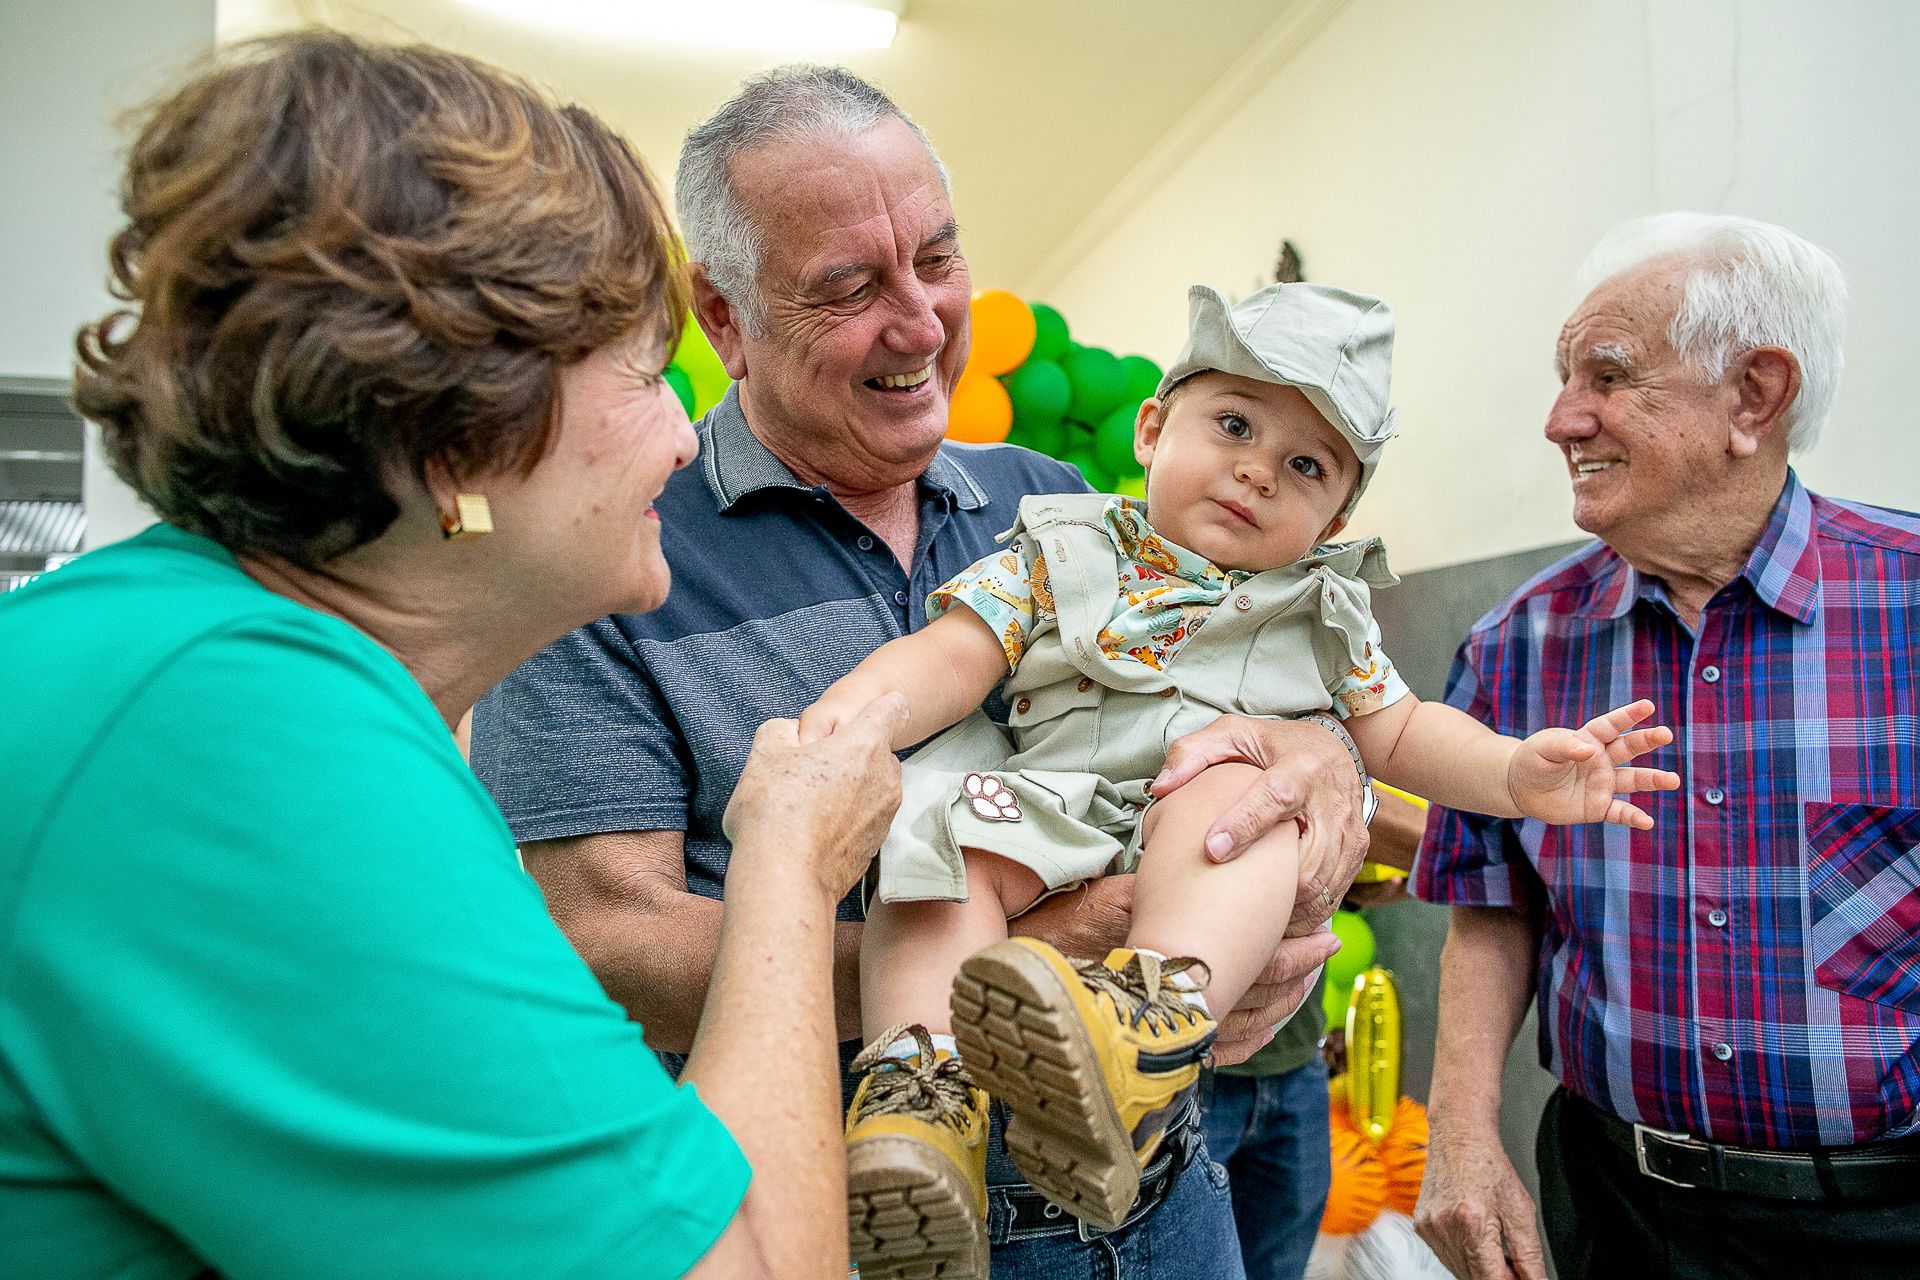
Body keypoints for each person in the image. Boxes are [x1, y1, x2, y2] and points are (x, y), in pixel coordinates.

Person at [0, 33, 911, 1279]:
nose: (684, 444)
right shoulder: (241, 736)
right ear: (461, 441)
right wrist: (792, 867)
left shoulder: (212, 663)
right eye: (649, 377)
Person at [471, 66, 1373, 1280]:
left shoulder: (1059, 502)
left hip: (1162, 1199)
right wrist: (1032, 974)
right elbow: (603, 938)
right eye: (847, 287)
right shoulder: (612, 558)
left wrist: (1320, 760)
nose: (919, 322)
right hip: (851, 1228)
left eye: (938, 262)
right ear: (726, 318)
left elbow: (1258, 685)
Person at [800, 281, 1678, 1271]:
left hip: (1197, 808)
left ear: (1334, 513)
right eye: (1233, 424)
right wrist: (851, 718)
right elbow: (953, 657)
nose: (1257, 471)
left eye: (1305, 464)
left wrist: (1518, 770)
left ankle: (1144, 1025)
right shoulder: (1060, 549)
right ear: (1150, 426)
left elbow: (1403, 730)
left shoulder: (1320, 610)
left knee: (1248, 806)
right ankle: (920, 1107)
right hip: (1052, 803)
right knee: (946, 838)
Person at [1412, 211, 1920, 1280]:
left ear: (1754, 396)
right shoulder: (1515, 645)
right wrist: (1459, 1134)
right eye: (1562, 377)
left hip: (1887, 1217)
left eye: (1608, 374)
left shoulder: (1908, 603)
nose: (1560, 419)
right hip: (1616, 1210)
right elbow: (1491, 909)